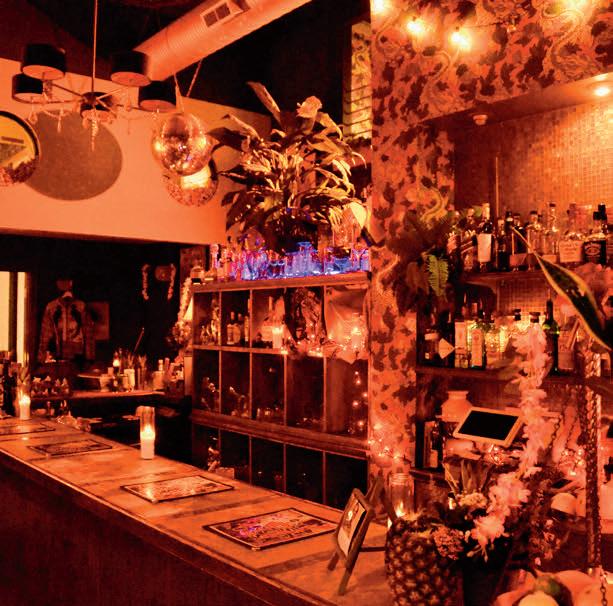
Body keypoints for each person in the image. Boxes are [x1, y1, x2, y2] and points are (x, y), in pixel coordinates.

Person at [37, 279, 95, 366]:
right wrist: (41, 358)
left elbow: (88, 333)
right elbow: (45, 334)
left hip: (77, 357)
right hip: (57, 356)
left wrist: (89, 358)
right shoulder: (51, 307)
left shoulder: (81, 307)